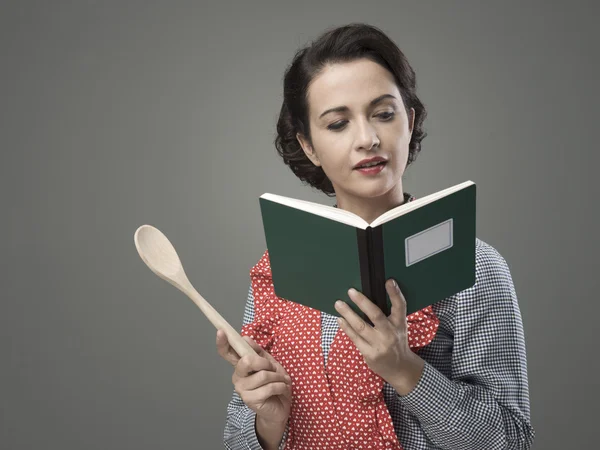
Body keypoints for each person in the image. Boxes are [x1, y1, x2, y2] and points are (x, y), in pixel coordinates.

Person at [216, 23, 535, 450]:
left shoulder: (474, 266)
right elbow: (235, 441)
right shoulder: (280, 269)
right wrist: (269, 426)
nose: (367, 139)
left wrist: (406, 370)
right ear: (308, 146)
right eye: (337, 124)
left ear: (410, 121)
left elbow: (512, 442)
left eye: (384, 114)